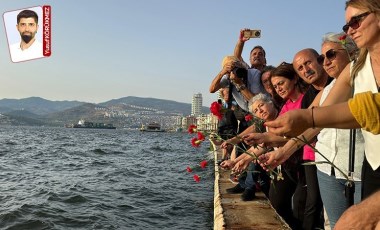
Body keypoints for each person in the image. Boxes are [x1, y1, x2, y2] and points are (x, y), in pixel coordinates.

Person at [261, 0, 380, 202]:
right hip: (373, 165)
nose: (351, 30)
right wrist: (284, 152)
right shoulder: (356, 67)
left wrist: (309, 117)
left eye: (356, 21)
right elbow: (322, 114)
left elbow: (369, 110)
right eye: (347, 26)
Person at [264, 91, 380, 136]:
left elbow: (311, 122)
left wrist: (308, 119)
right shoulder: (326, 89)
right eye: (322, 58)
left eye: (331, 54)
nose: (326, 62)